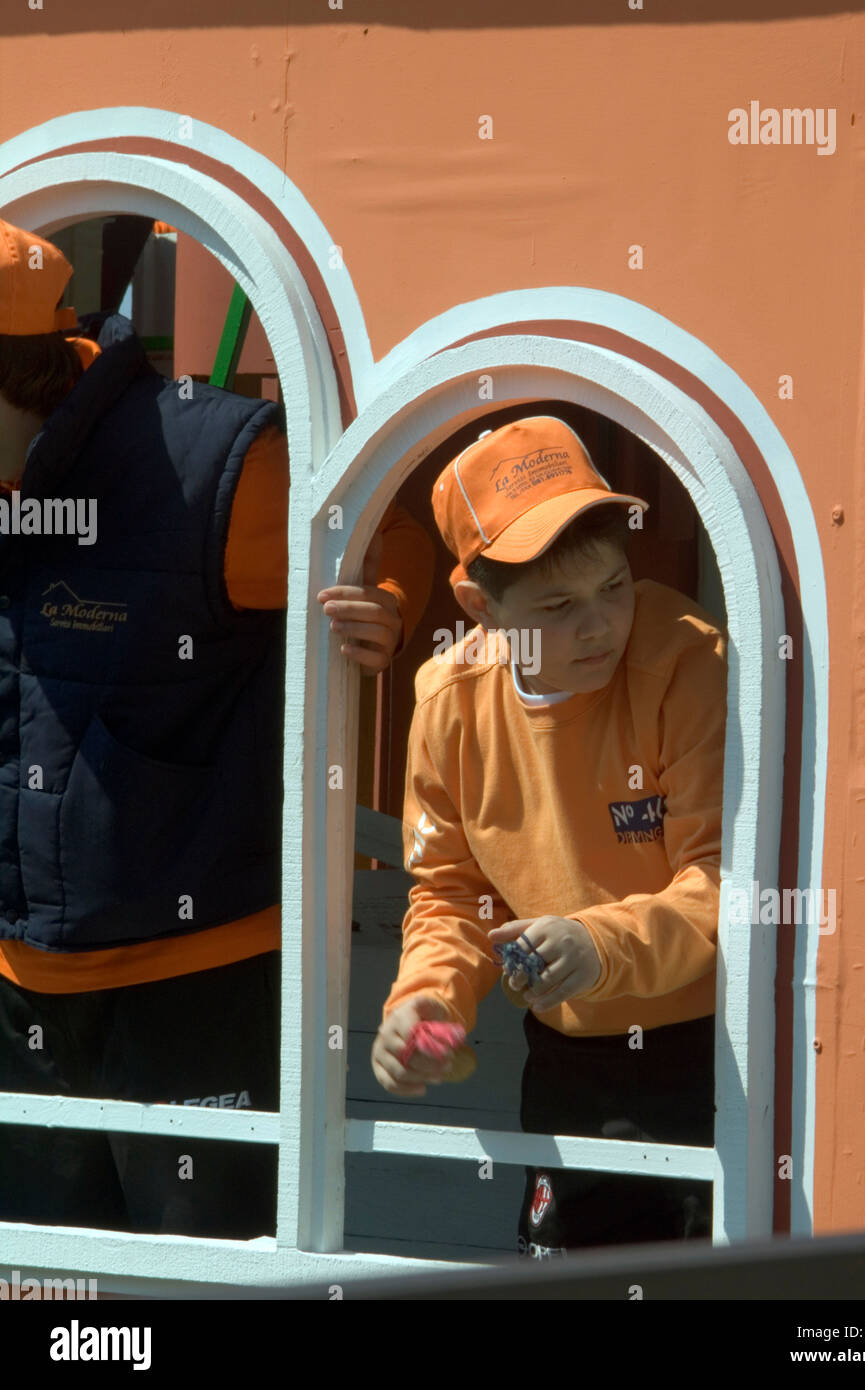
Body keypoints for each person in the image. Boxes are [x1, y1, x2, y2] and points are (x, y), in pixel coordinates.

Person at [0, 216, 433, 1238]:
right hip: (18, 987)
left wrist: (389, 604)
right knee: (51, 1297)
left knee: (198, 1285)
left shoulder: (207, 462)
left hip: (196, 980)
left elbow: (382, 528)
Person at [371, 415, 727, 1257]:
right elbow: (448, 892)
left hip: (716, 1056)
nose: (600, 624)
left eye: (614, 586)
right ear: (477, 606)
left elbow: (723, 880)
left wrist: (596, 943)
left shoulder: (685, 661)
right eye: (559, 606)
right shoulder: (448, 700)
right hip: (564, 1065)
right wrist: (427, 1003)